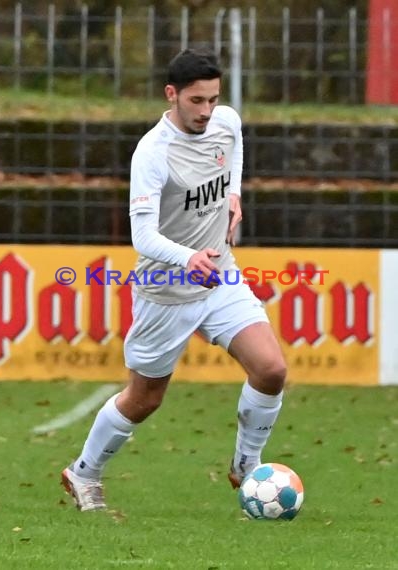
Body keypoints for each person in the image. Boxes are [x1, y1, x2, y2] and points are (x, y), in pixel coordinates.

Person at [61, 48, 287, 512]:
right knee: (144, 398)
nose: (207, 111)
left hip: (220, 275)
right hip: (165, 291)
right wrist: (188, 259)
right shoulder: (153, 152)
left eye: (212, 99)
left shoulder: (226, 120)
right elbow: (142, 235)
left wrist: (235, 192)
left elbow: (235, 147)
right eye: (196, 101)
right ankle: (83, 473)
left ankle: (247, 466)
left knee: (271, 370)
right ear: (172, 95)